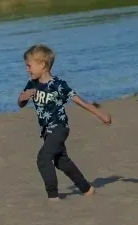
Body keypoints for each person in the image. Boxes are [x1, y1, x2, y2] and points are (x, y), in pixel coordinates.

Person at [17, 44, 113, 201]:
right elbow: (20, 103)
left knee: (43, 158)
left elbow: (79, 101)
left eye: (29, 66)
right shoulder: (32, 84)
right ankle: (87, 188)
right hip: (46, 131)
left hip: (59, 128)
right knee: (61, 161)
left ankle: (53, 196)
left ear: (42, 65)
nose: (27, 69)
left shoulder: (58, 84)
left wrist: (100, 114)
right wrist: (23, 97)